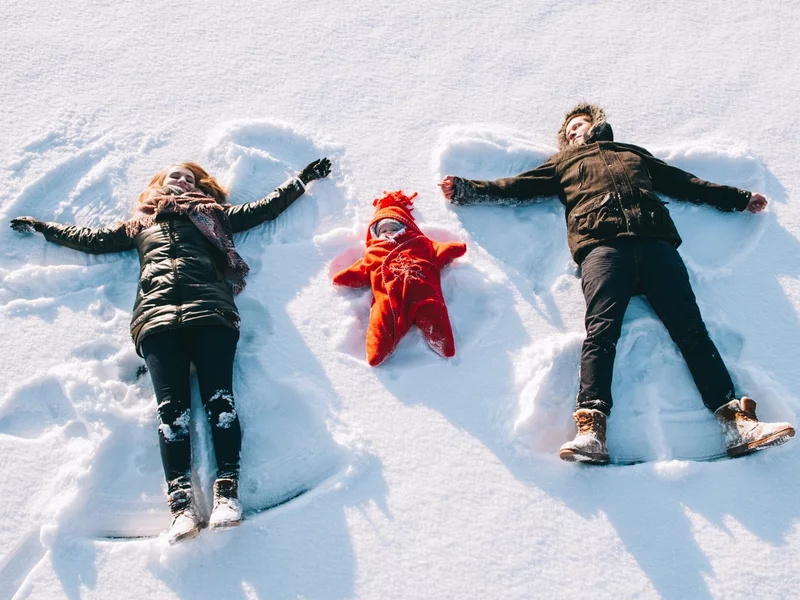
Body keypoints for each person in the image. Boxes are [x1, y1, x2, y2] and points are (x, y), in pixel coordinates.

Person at [439, 103, 794, 464]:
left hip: (656, 246)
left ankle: (736, 423)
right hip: (601, 249)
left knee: (691, 331)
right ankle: (591, 430)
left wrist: (738, 198)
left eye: (582, 124)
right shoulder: (563, 164)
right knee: (601, 333)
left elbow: (684, 183)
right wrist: (468, 190)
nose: (577, 131)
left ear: (597, 125)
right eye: (571, 130)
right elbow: (516, 187)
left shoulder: (632, 154)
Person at [10, 157, 331, 542]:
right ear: (159, 185)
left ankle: (227, 494)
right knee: (171, 412)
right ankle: (181, 508)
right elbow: (90, 241)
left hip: (211, 311)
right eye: (172, 175)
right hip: (156, 320)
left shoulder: (215, 215)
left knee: (220, 401)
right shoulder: (140, 224)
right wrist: (45, 229)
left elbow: (263, 209)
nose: (180, 179)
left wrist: (301, 179)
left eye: (188, 176)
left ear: (202, 186)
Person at [332, 190, 466, 366]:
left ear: (405, 227)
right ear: (375, 235)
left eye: (393, 228)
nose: (388, 233)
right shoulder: (374, 253)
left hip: (424, 291)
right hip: (390, 298)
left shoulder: (421, 243)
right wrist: (345, 277)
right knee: (384, 317)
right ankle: (379, 348)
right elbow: (360, 269)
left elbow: (440, 250)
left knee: (433, 312)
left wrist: (453, 249)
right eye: (382, 231)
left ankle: (442, 342)